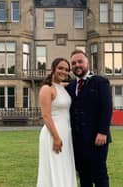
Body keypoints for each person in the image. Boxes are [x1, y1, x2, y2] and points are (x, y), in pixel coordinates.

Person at [66, 50, 113, 187]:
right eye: (73, 63)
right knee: (83, 175)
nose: (77, 65)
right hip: (77, 140)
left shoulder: (101, 82)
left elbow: (107, 108)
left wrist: (103, 131)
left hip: (97, 138)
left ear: (87, 63)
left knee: (100, 174)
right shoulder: (71, 86)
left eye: (80, 61)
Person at [37, 58, 77, 187]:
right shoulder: (46, 88)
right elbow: (46, 115)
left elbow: (76, 84)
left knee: (64, 166)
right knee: (54, 167)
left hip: (65, 133)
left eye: (66, 69)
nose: (63, 71)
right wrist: (56, 137)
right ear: (53, 69)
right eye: (60, 68)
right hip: (53, 135)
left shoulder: (61, 87)